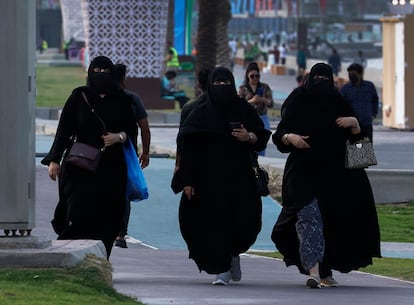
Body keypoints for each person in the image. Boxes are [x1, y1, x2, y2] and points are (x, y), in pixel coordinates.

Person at [271, 63, 381, 288]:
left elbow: (361, 153)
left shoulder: (339, 102)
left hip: (335, 179)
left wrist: (356, 126)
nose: (321, 83)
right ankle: (313, 270)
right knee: (309, 219)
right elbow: (279, 134)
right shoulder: (298, 100)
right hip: (303, 175)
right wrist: (290, 137)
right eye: (317, 77)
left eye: (325, 78)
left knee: (331, 223)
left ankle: (324, 271)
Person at [172, 67, 271, 285]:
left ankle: (233, 253)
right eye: (217, 84)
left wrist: (249, 136)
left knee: (244, 221)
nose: (222, 88)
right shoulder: (198, 112)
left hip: (240, 178)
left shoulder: (243, 109)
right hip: (207, 179)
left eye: (226, 84)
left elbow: (262, 136)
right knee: (213, 222)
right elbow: (187, 145)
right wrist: (187, 179)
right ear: (209, 85)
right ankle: (221, 268)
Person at [41, 56, 138, 259]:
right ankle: (71, 257)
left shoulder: (122, 100)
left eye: (105, 71)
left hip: (112, 166)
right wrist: (54, 159)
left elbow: (130, 130)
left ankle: (100, 259)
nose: (101, 75)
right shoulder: (79, 96)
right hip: (80, 165)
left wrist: (117, 137)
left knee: (109, 212)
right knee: (76, 210)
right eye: (97, 71)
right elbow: (64, 129)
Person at [113, 63, 151, 248]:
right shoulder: (132, 99)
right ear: (123, 78)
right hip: (127, 154)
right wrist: (146, 151)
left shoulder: (101, 98)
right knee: (124, 193)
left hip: (103, 152)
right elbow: (144, 127)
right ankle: (121, 234)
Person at [238, 62, 274, 156]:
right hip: (248, 119)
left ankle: (262, 159)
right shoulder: (243, 88)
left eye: (257, 76)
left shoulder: (265, 87)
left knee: (262, 139)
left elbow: (271, 103)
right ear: (247, 76)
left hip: (262, 117)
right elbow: (239, 104)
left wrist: (263, 99)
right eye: (252, 76)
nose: (255, 78)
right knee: (250, 139)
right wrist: (252, 100)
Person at [340, 63, 379, 142]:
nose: (351, 76)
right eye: (349, 74)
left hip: (366, 123)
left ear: (360, 74)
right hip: (352, 125)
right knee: (353, 149)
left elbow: (375, 100)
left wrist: (374, 114)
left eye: (353, 74)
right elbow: (341, 104)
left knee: (366, 149)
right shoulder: (345, 89)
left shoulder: (369, 86)